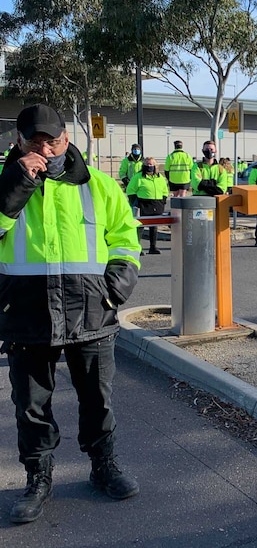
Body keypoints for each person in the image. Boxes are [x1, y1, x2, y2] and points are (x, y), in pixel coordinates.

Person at [0, 104, 141, 524]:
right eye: (35, 141)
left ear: (67, 138)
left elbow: (125, 239)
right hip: (26, 313)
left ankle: (104, 467)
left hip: (92, 313)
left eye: (53, 139)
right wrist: (16, 186)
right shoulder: (5, 186)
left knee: (98, 399)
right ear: (18, 142)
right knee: (31, 407)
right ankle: (38, 479)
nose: (45, 148)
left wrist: (113, 292)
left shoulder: (98, 185)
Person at [126, 156, 169, 254]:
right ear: (144, 166)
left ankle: (153, 247)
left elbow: (165, 190)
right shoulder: (138, 177)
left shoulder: (160, 178)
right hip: (143, 204)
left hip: (156, 204)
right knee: (140, 226)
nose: (149, 166)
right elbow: (130, 190)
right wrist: (135, 202)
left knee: (154, 227)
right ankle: (138, 248)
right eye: (147, 164)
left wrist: (163, 200)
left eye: (151, 164)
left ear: (155, 166)